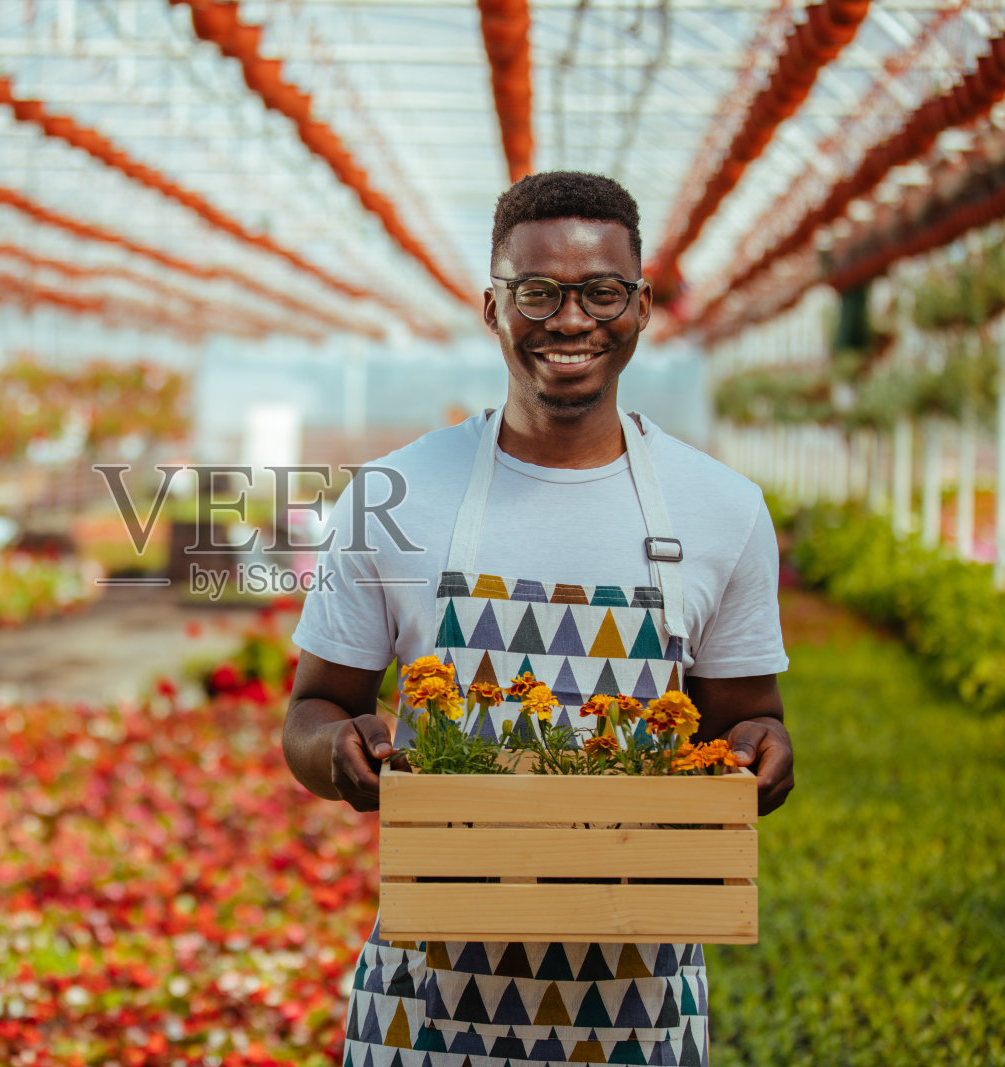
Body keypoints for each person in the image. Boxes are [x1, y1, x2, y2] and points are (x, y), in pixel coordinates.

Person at [283, 170, 794, 1066]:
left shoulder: (723, 509)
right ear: (492, 306)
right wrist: (339, 751)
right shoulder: (391, 497)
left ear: (640, 309)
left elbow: (749, 720)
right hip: (424, 1009)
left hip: (640, 1007)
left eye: (602, 292)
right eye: (537, 292)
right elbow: (312, 711)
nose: (570, 321)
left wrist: (760, 753)